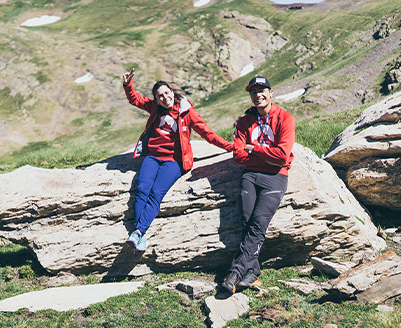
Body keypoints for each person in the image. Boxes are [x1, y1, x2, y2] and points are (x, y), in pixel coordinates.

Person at [122, 70, 233, 252]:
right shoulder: (154, 109)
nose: (165, 98)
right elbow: (135, 99)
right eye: (160, 96)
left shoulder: (186, 112)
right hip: (153, 157)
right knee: (142, 188)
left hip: (174, 161)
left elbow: (208, 134)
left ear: (172, 92)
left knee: (156, 193)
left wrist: (231, 147)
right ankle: (137, 234)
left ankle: (138, 232)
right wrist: (128, 85)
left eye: (167, 93)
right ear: (156, 100)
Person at [222, 76, 295, 293]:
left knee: (258, 223)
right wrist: (265, 155)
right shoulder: (245, 121)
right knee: (247, 222)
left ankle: (235, 272)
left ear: (271, 93)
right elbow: (237, 156)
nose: (258, 95)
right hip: (251, 175)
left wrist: (254, 149)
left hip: (276, 176)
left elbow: (282, 157)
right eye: (253, 92)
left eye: (262, 90)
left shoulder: (285, 118)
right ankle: (252, 272)